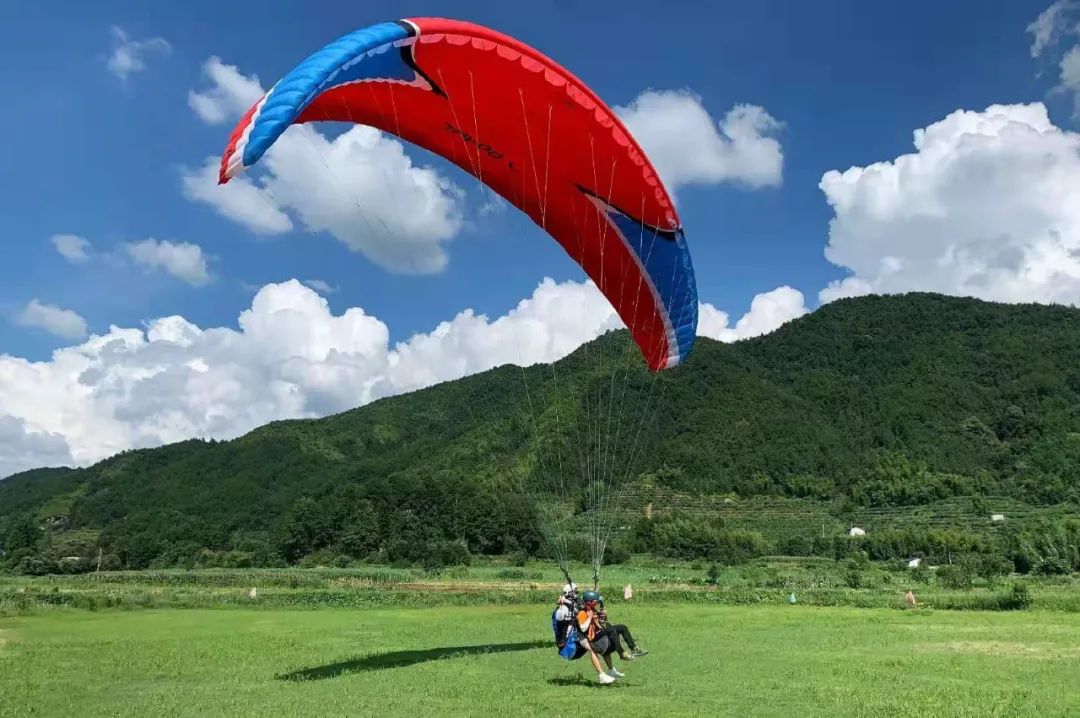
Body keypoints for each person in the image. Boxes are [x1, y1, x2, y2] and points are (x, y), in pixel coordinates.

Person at [576, 590, 624, 681]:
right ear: (589, 602)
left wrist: (602, 615)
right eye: (595, 601)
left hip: (592, 634)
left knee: (605, 649)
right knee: (593, 650)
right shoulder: (582, 613)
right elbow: (583, 629)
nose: (597, 603)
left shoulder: (592, 610)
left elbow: (599, 623)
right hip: (583, 637)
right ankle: (601, 675)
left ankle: (611, 671)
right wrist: (590, 617)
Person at [595, 593, 647, 658]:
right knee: (611, 629)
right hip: (596, 632)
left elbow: (604, 621)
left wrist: (603, 615)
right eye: (597, 603)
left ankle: (633, 648)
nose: (598, 604)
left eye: (599, 603)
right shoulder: (590, 610)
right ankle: (622, 653)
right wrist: (598, 616)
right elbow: (594, 624)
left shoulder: (597, 610)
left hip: (602, 627)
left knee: (622, 627)